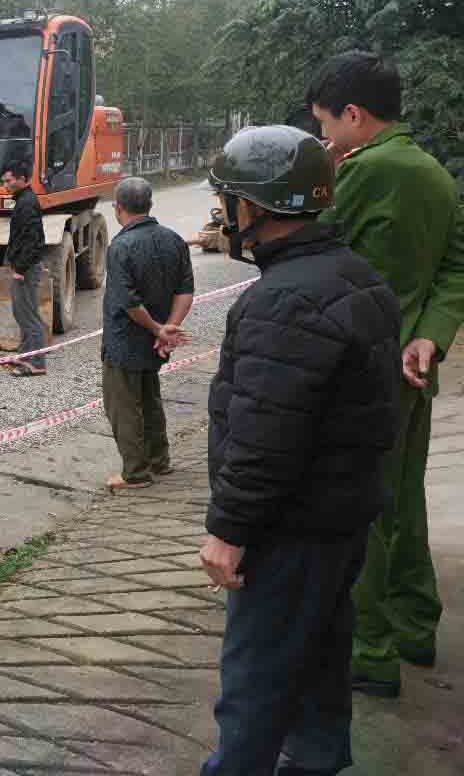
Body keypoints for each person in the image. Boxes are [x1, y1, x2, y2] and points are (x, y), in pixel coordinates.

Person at [201, 125, 401, 775]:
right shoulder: (356, 276)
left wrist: (229, 529)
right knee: (319, 669)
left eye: (229, 201)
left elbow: (266, 432)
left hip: (288, 532)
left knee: (253, 695)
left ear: (254, 209)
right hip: (340, 523)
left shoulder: (283, 300)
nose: (225, 215)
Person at [307, 52, 464, 697]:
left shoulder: (364, 171)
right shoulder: (435, 173)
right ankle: (415, 623)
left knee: (357, 507)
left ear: (353, 115)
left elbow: (311, 242)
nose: (323, 138)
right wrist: (430, 334)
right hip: (412, 368)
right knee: (405, 493)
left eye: (326, 124)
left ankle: (368, 650)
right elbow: (455, 269)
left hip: (360, 368)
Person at [101, 176, 194, 489]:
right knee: (150, 399)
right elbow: (185, 291)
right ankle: (159, 461)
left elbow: (128, 303)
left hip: (125, 341)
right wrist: (168, 328)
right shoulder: (173, 240)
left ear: (118, 207)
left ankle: (136, 473)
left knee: (123, 406)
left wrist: (158, 328)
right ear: (150, 204)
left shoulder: (121, 247)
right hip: (155, 342)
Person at [1, 159, 46, 376]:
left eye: (8, 181)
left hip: (25, 269)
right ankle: (25, 356)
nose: (5, 185)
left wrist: (20, 268)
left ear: (22, 179)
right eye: (4, 181)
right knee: (22, 313)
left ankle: (36, 363)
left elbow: (34, 241)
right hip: (24, 267)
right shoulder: (23, 200)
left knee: (28, 315)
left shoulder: (27, 204)